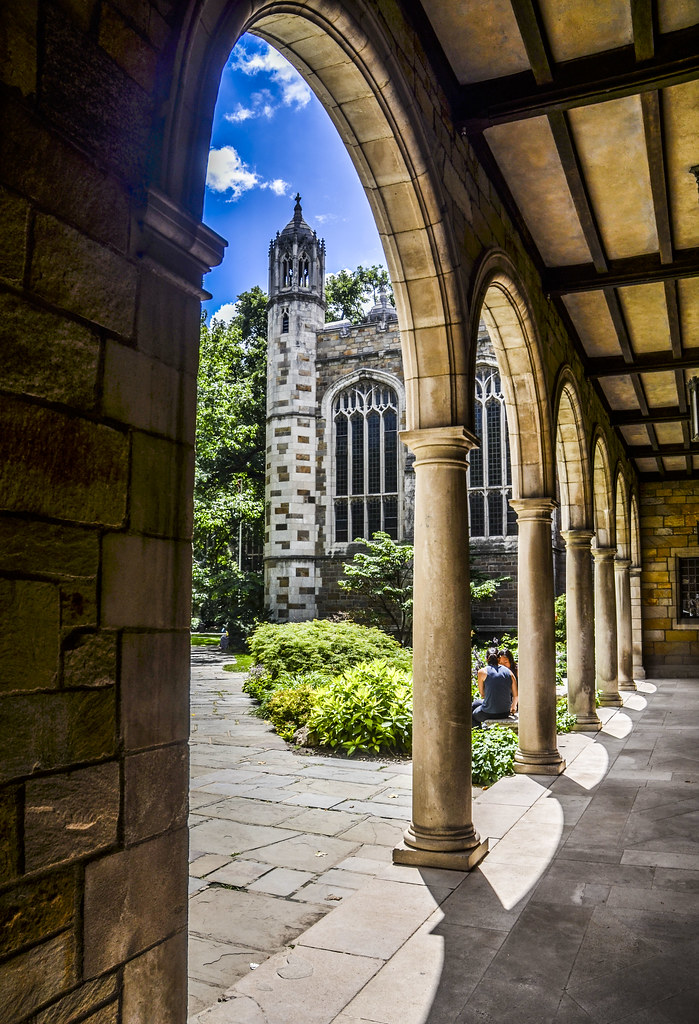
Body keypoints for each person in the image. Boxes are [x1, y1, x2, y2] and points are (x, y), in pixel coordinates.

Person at [472, 647, 518, 727]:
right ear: (499, 658)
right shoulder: (509, 672)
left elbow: (482, 694)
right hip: (505, 712)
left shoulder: (482, 672)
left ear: (486, 659)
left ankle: (479, 733)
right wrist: (513, 707)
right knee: (475, 704)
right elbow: (515, 695)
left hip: (488, 713)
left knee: (472, 714)